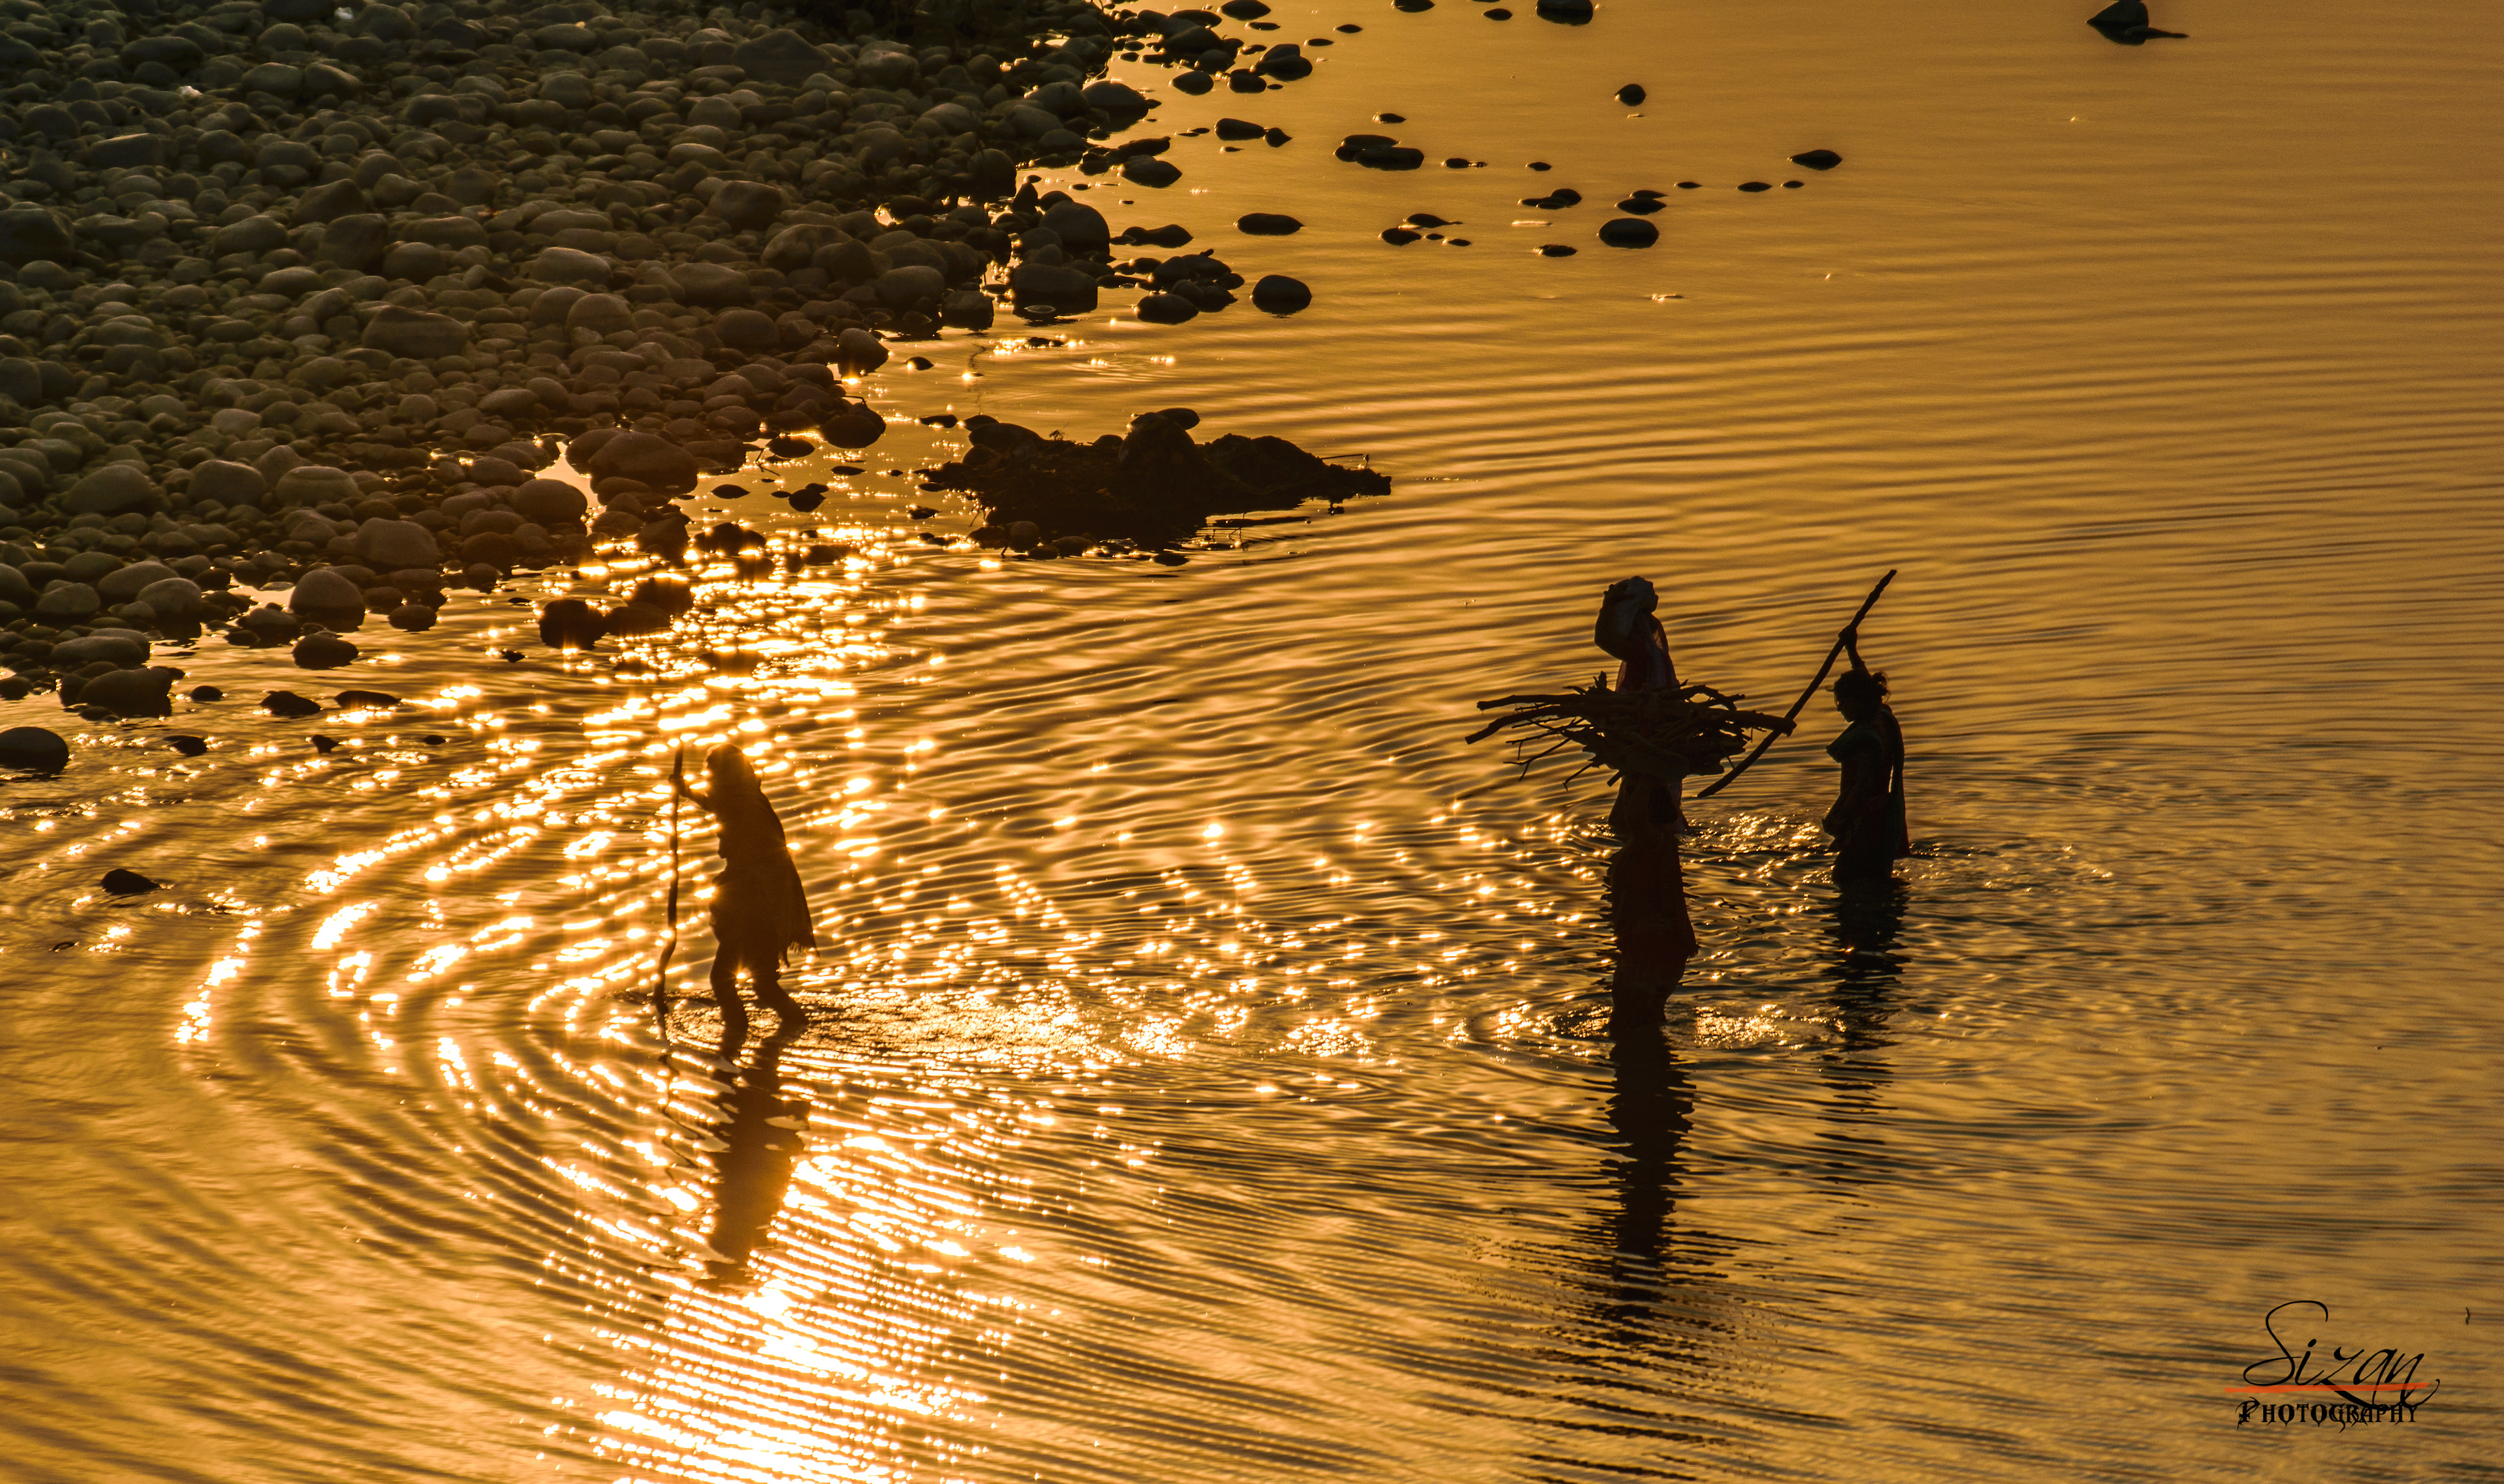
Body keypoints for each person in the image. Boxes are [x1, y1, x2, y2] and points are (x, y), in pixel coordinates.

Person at [675, 743, 816, 1039]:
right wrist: (687, 792)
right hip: (763, 902)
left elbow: (721, 807)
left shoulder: (740, 804)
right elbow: (717, 805)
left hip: (751, 902)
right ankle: (798, 1031)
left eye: (712, 772)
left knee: (721, 980)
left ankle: (733, 1043)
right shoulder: (748, 796)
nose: (709, 777)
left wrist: (686, 791)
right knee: (763, 984)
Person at [1822, 634, 1909, 885]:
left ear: (1857, 702)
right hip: (1882, 813)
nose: (1839, 709)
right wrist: (1852, 650)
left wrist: (1838, 817)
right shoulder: (1882, 716)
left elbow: (1862, 783)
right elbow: (1865, 680)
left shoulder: (1867, 739)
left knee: (1846, 879)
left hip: (1866, 821)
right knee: (1876, 877)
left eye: (1841, 702)